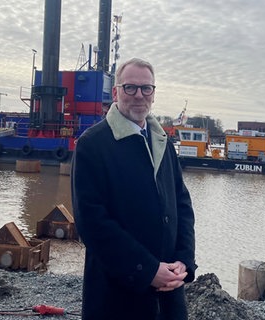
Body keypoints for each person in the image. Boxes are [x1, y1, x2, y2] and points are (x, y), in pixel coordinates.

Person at [71, 57, 197, 320]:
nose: (139, 95)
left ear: (153, 94)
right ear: (116, 92)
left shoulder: (163, 142)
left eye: (146, 88)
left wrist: (184, 260)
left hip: (169, 293)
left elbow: (182, 205)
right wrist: (148, 270)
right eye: (130, 88)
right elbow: (92, 223)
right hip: (116, 296)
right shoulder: (92, 145)